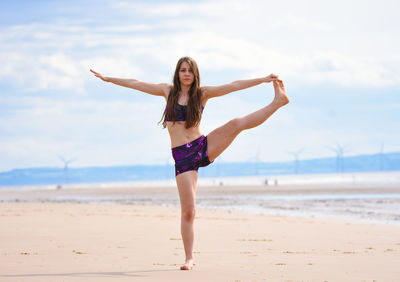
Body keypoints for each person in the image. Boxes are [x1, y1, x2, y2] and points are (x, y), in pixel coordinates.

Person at [90, 56, 289, 270]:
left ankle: (278, 102)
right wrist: (109, 79)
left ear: (195, 74)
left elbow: (233, 86)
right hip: (183, 159)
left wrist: (262, 80)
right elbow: (136, 83)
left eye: (190, 70)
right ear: (177, 73)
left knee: (236, 124)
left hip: (202, 146)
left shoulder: (202, 94)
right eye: (183, 70)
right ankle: (189, 258)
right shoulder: (167, 91)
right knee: (189, 211)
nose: (186, 74)